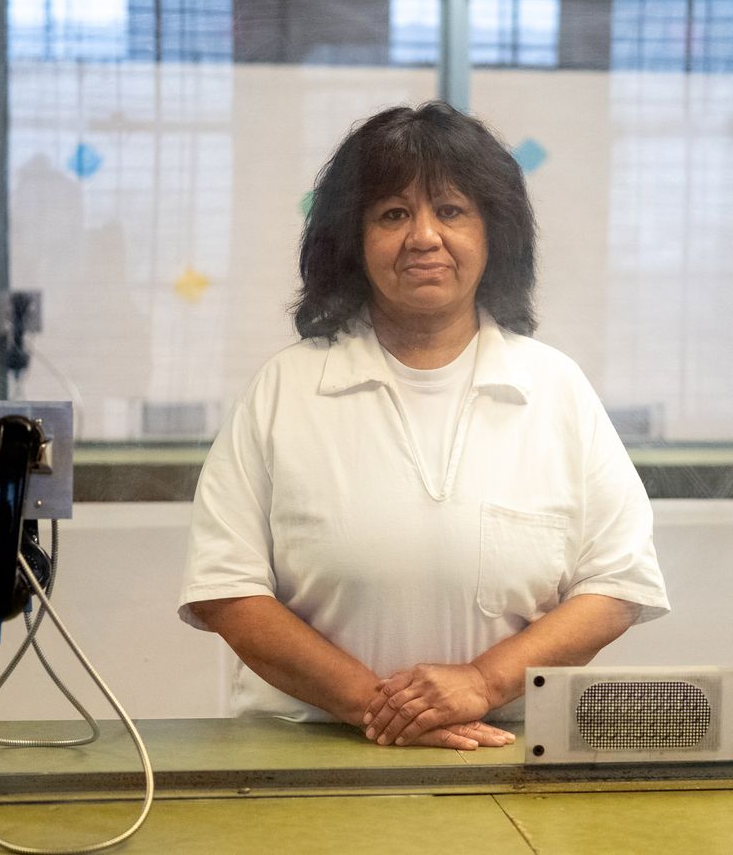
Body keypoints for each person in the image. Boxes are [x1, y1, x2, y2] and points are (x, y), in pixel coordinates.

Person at [178, 102, 668, 751]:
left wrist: (483, 683)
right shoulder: (284, 390)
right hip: (305, 751)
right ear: (352, 241)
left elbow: (617, 583)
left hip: (504, 749)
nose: (424, 237)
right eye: (393, 214)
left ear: (495, 235)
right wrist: (382, 709)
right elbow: (226, 590)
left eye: (452, 211)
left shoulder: (555, 390)